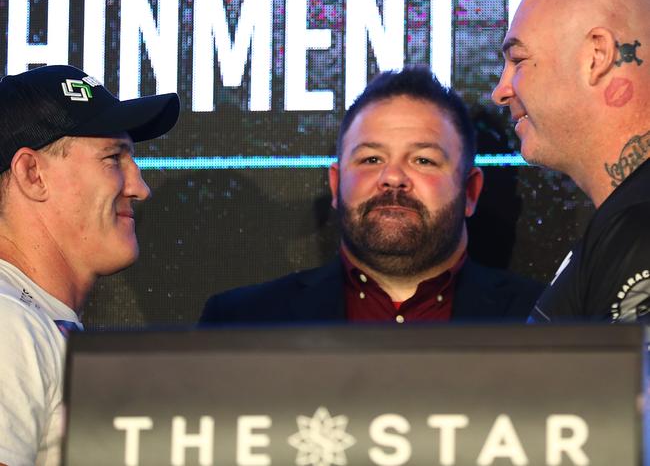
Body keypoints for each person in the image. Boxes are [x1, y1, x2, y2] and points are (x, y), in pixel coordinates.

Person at [201, 66, 542, 325]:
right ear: (336, 185)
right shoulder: (242, 322)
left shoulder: (546, 319)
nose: (392, 177)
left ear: (470, 191)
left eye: (423, 160)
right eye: (371, 159)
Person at [0, 65, 179, 465]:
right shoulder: (7, 324)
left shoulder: (32, 321)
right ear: (33, 175)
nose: (141, 188)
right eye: (114, 158)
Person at [492, 0, 650, 322]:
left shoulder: (639, 228)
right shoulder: (623, 223)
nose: (500, 91)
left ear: (597, 56)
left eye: (518, 60)